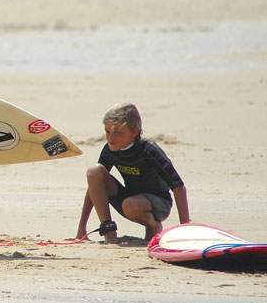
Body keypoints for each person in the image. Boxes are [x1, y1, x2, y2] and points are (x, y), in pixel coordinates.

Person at [75, 103, 190, 244]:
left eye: (118, 133)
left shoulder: (149, 151)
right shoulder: (111, 149)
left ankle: (153, 226)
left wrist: (185, 230)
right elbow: (95, 185)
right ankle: (109, 232)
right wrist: (81, 228)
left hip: (158, 203)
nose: (111, 138)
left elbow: (178, 187)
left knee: (131, 205)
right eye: (107, 132)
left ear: (134, 132)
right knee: (94, 171)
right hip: (129, 200)